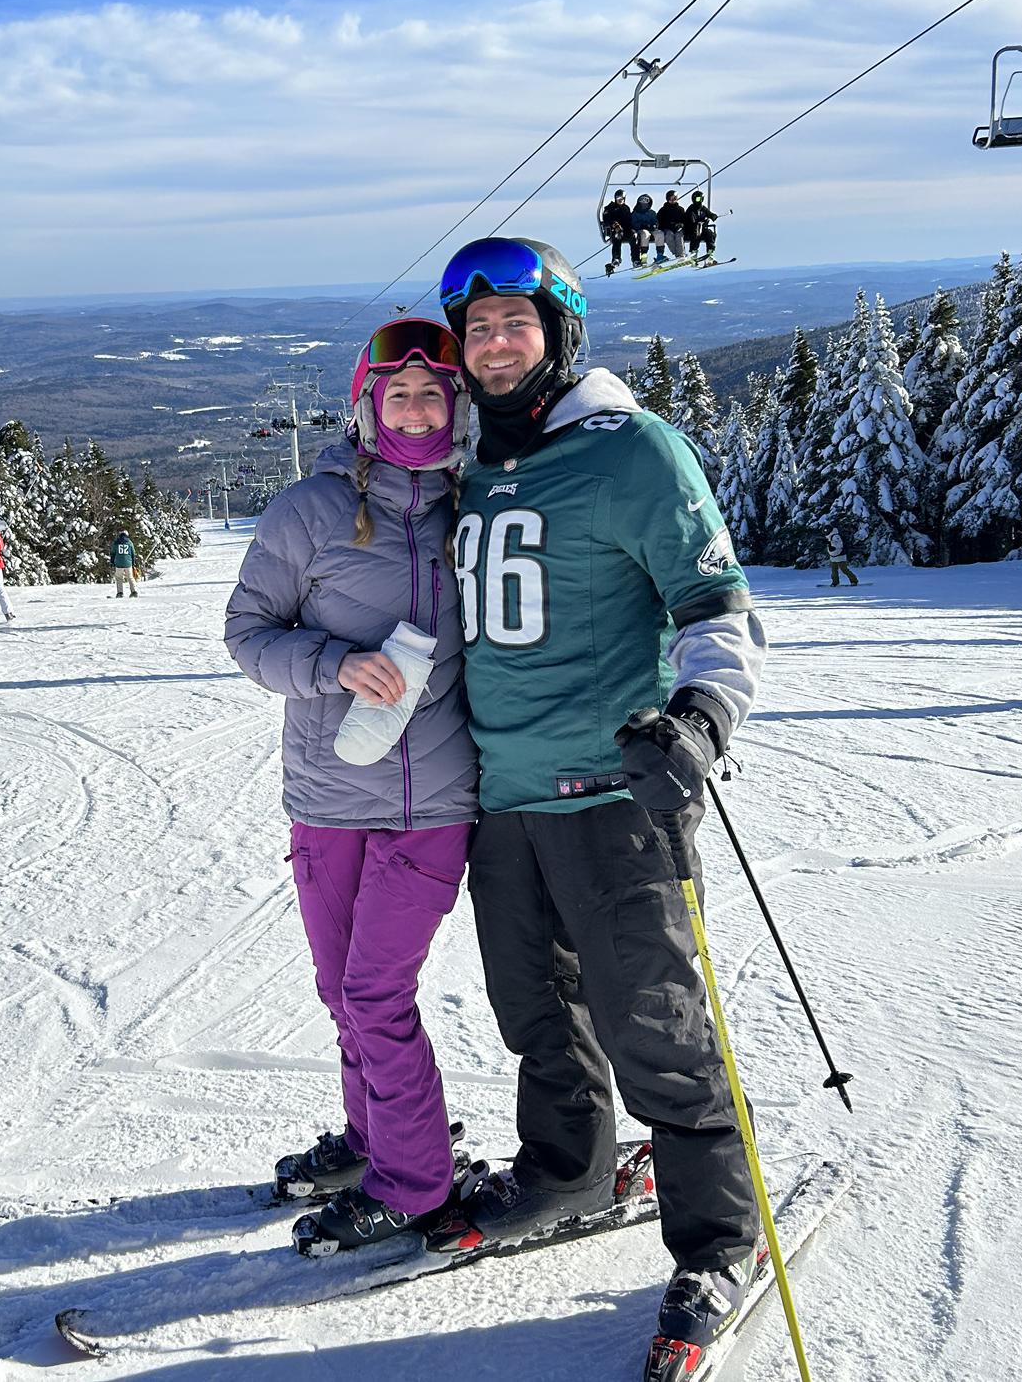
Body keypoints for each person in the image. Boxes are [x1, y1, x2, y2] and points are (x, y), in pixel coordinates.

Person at [437, 235, 769, 1375]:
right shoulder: (472, 465)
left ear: (560, 334)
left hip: (612, 794)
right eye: (475, 330)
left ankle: (722, 1239)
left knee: (655, 1027)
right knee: (535, 1013)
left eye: (513, 326)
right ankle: (569, 1169)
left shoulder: (632, 452)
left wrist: (701, 719)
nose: (492, 346)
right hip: (502, 798)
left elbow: (716, 605)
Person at [225, 317, 478, 1251]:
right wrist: (335, 664)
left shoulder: (480, 506)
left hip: (437, 800)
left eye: (433, 395)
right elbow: (249, 634)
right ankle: (375, 1137)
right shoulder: (310, 510)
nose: (416, 410)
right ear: (367, 406)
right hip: (329, 795)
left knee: (377, 993)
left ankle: (413, 1183)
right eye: (397, 394)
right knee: (342, 992)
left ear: (458, 409)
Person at [600, 190, 638, 275]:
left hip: (626, 230)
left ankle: (635, 259)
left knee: (634, 236)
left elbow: (629, 221)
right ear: (615, 198)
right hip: (615, 230)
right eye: (618, 198)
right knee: (618, 236)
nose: (620, 200)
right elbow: (606, 219)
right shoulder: (610, 208)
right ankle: (616, 258)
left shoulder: (626, 208)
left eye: (622, 198)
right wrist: (614, 224)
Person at [631, 193, 666, 266]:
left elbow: (655, 222)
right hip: (641, 230)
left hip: (651, 230)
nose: (644, 204)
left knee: (660, 233)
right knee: (645, 233)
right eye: (642, 202)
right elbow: (633, 223)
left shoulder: (651, 213)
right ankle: (644, 255)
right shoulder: (635, 213)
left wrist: (654, 225)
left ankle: (660, 255)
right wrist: (642, 225)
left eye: (646, 202)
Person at [684, 191, 718, 262]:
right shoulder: (691, 209)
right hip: (692, 230)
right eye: (697, 199)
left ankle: (710, 255)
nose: (698, 201)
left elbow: (710, 214)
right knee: (695, 235)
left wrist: (713, 216)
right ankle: (693, 255)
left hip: (702, 229)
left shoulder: (703, 208)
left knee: (710, 234)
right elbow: (690, 220)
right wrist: (698, 222)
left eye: (700, 199)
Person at [658, 190, 687, 260]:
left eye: (674, 198)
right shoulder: (663, 210)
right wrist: (665, 226)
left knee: (679, 236)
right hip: (668, 229)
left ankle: (681, 254)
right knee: (669, 236)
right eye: (671, 199)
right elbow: (659, 221)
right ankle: (677, 254)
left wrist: (681, 225)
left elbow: (685, 220)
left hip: (678, 229)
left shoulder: (680, 209)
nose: (673, 200)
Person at [111, 531, 139, 597]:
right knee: (130, 577)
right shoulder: (129, 542)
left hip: (119, 563)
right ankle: (134, 591)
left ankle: (120, 593)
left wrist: (112, 562)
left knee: (119, 578)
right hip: (128, 563)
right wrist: (133, 563)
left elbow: (113, 553)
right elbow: (133, 553)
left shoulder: (116, 542)